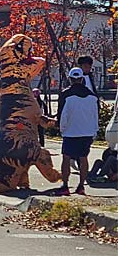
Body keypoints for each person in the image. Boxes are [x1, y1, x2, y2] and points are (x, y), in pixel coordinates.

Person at [54, 67, 99, 196]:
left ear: (70, 79)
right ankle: (81, 186)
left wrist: (61, 128)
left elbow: (63, 114)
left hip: (70, 131)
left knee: (66, 158)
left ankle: (65, 185)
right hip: (87, 132)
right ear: (81, 78)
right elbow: (96, 114)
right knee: (83, 158)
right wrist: (94, 130)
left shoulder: (66, 94)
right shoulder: (92, 96)